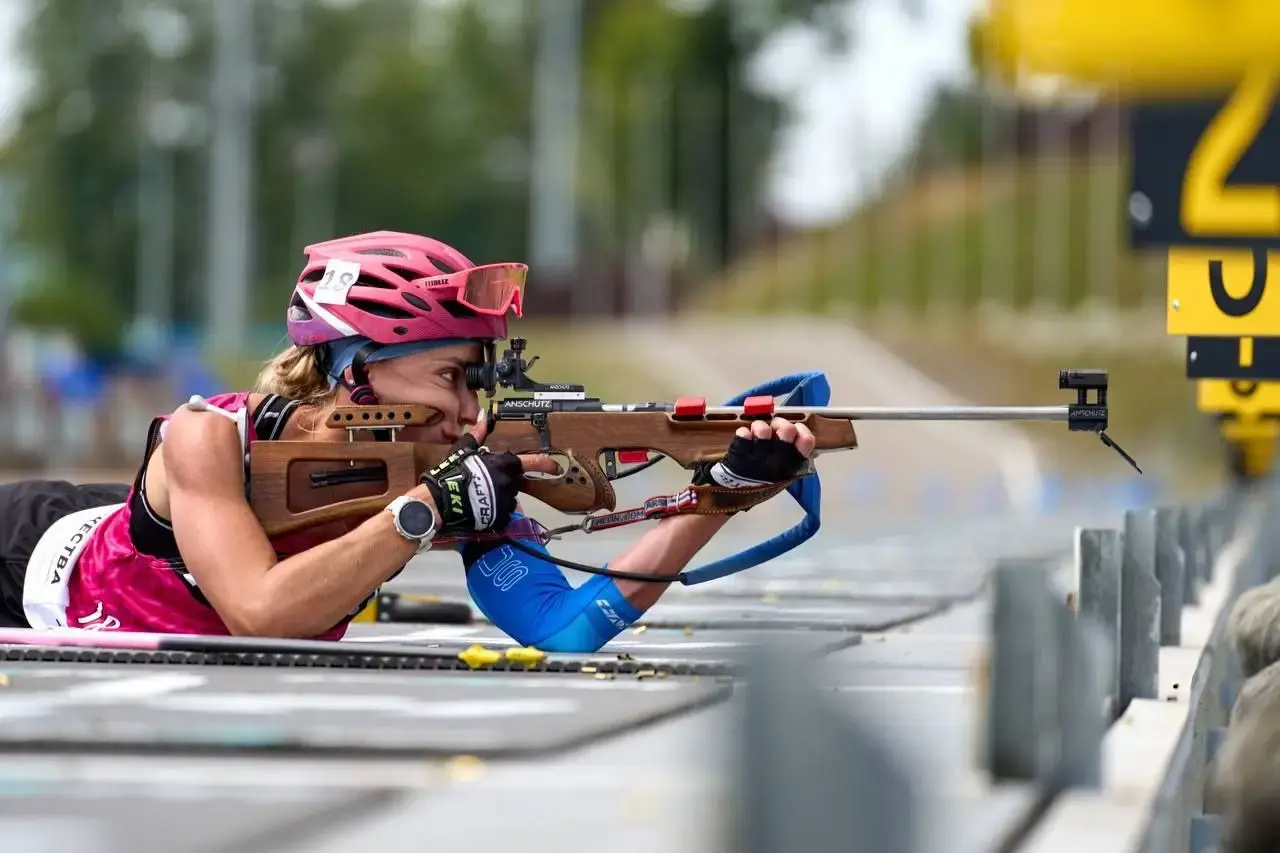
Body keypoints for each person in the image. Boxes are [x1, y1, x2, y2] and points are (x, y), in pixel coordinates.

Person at [1, 231, 815, 653]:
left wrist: (720, 496)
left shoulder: (447, 469)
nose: (470, 409)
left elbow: (564, 624)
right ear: (358, 369)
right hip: (32, 557)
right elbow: (257, 612)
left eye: (478, 380)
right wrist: (418, 516)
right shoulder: (207, 437)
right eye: (451, 375)